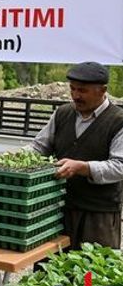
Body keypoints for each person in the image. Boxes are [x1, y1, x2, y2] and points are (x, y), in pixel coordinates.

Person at [28, 61, 123, 249]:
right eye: (72, 89)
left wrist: (83, 168)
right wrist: (15, 156)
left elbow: (120, 166)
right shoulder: (63, 113)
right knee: (50, 262)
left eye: (82, 90)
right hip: (58, 209)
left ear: (102, 90)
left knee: (92, 265)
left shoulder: (118, 121)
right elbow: (40, 146)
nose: (76, 95)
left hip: (98, 215)